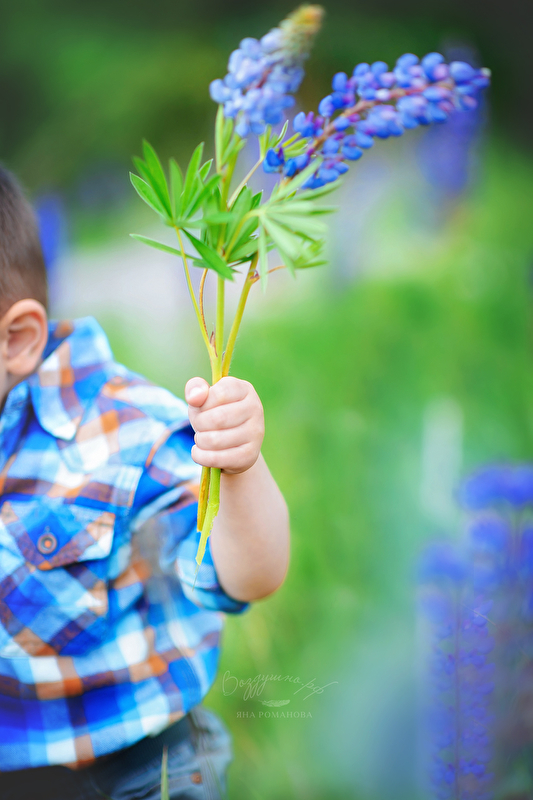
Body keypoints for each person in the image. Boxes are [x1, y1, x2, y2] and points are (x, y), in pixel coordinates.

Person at [0, 165, 290, 799]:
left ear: (15, 339)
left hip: (135, 770)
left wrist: (240, 468)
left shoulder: (126, 432)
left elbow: (247, 576)